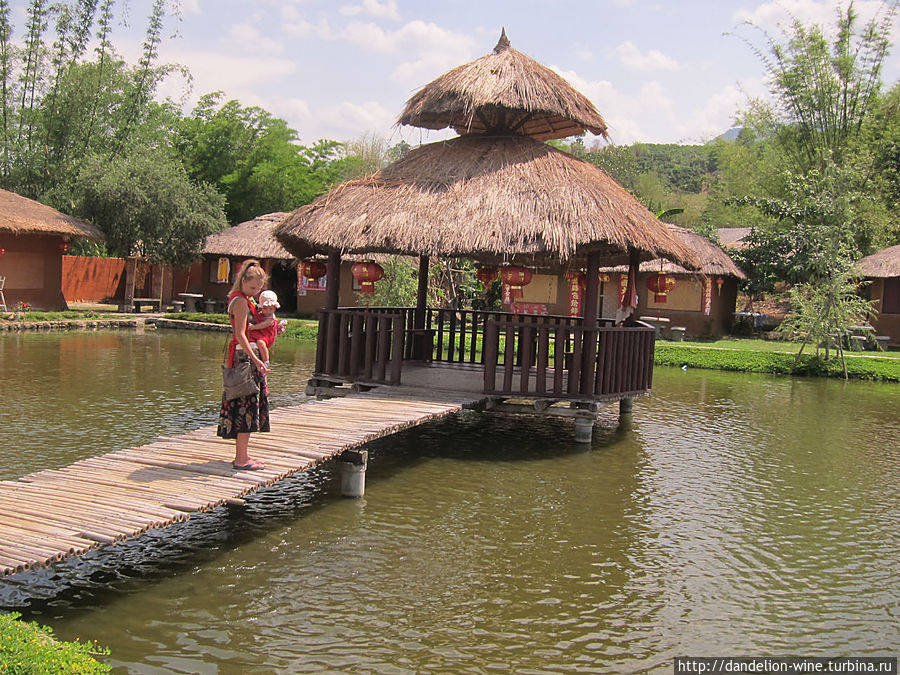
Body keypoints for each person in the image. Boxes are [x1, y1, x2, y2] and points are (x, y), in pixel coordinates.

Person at [217, 259, 271, 470]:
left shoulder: (242, 299)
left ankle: (243, 455)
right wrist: (257, 360)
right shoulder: (239, 301)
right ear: (243, 281)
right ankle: (241, 459)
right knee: (245, 408)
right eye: (252, 287)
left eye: (259, 288)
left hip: (243, 356)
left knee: (245, 407)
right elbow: (240, 334)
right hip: (244, 359)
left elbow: (246, 327)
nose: (256, 291)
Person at [248, 290, 281, 367]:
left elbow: (264, 324)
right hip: (260, 333)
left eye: (271, 309)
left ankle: (266, 360)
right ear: (261, 308)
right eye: (266, 309)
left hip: (267, 336)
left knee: (260, 343)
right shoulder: (260, 313)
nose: (268, 311)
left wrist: (253, 327)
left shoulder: (271, 318)